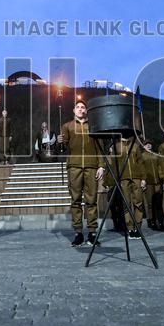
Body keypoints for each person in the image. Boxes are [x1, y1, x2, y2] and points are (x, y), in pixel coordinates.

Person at [58, 99, 105, 247]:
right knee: (76, 200)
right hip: (74, 167)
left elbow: (100, 147)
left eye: (83, 107)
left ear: (86, 110)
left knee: (91, 201)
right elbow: (64, 147)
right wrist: (60, 141)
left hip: (91, 166)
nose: (80, 109)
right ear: (74, 111)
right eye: (77, 107)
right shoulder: (67, 126)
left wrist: (101, 166)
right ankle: (78, 233)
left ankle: (92, 234)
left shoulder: (94, 126)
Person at [141, 141, 164, 230]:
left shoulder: (156, 155)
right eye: (146, 144)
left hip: (158, 182)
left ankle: (161, 222)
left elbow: (160, 167)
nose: (148, 145)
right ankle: (152, 222)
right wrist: (142, 180)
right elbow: (141, 168)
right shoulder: (142, 156)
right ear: (143, 146)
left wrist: (162, 179)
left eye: (150, 143)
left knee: (159, 203)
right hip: (148, 182)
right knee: (150, 203)